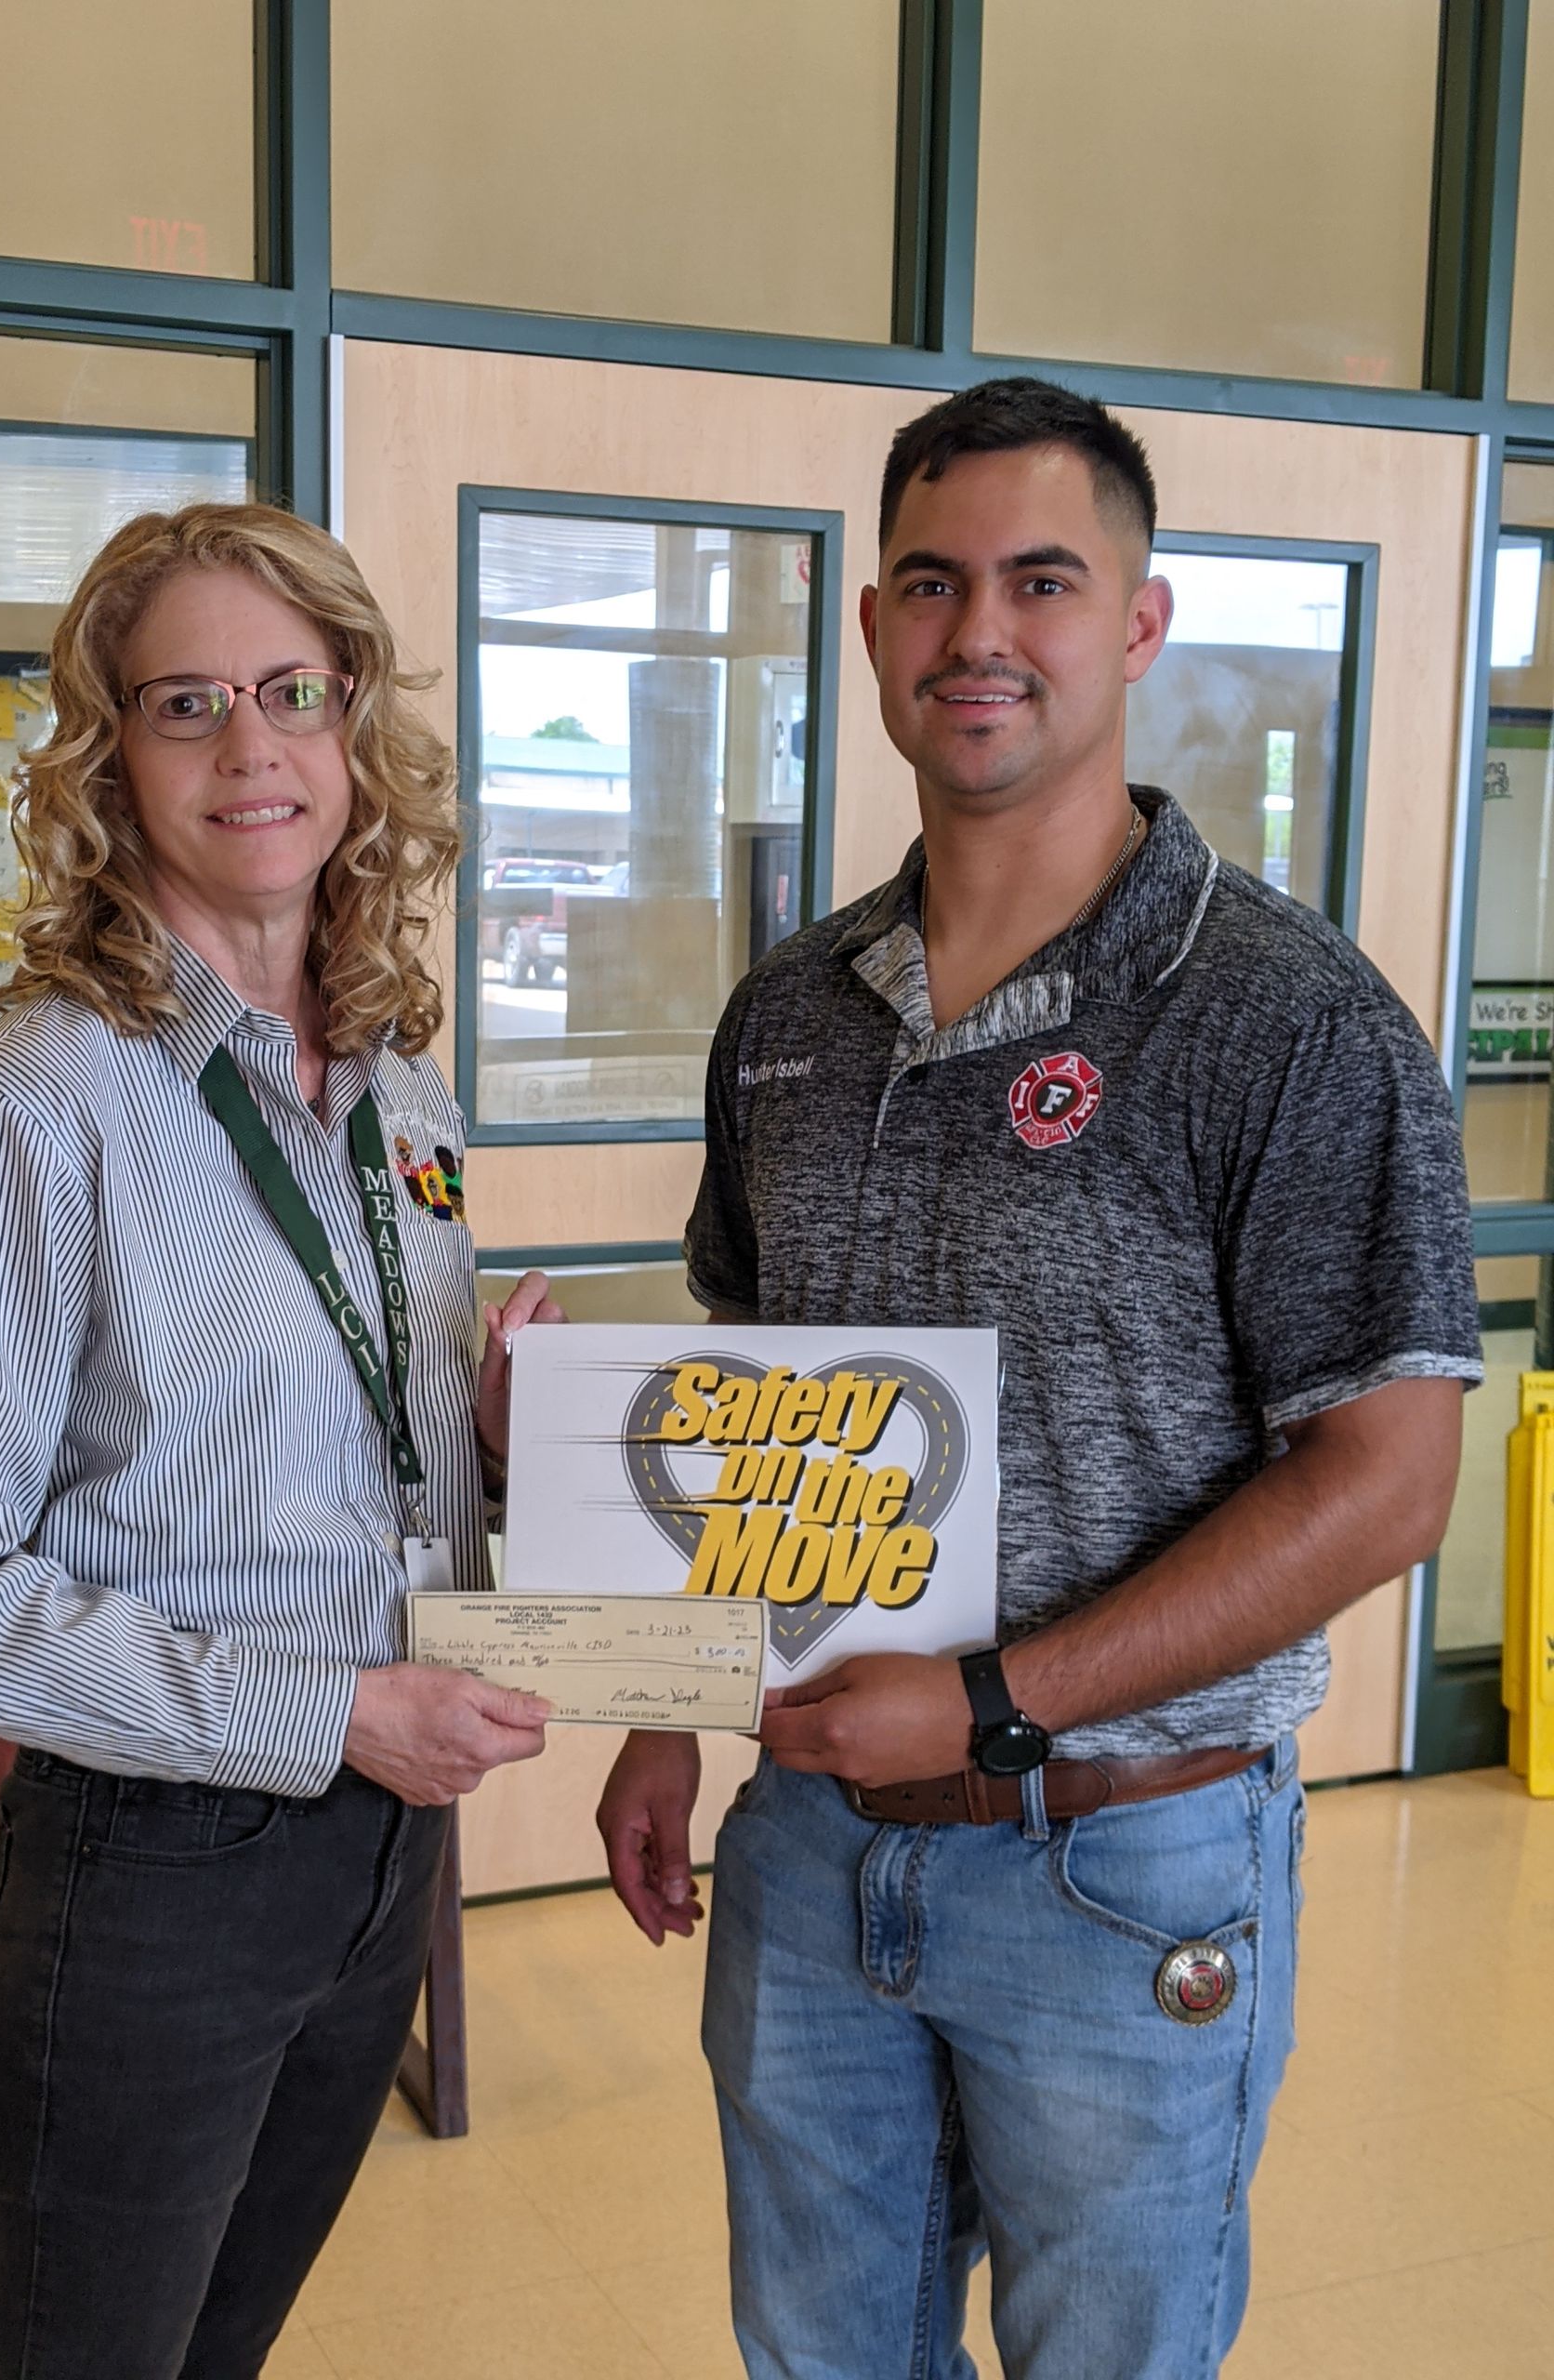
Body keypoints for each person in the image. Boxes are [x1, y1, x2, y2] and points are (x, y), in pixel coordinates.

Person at [597, 378, 1482, 2379]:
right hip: (811, 1844)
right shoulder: (791, 1014)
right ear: (873, 627)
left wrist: (997, 1699)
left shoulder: (1288, 1017)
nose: (978, 630)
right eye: (931, 583)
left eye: (1042, 581)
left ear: (1139, 624)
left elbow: (1388, 1478)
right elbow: (755, 1399)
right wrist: (659, 1706)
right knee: (819, 2354)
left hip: (1123, 1858)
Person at [0, 502, 561, 2380]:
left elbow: (357, 1436)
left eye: (293, 693)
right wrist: (328, 1715)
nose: (253, 747)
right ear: (109, 759)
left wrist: (494, 1433)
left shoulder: (401, 1087)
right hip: (154, 1879)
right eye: (186, 704)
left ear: (354, 730)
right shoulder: (32, 1104)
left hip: (380, 1859)